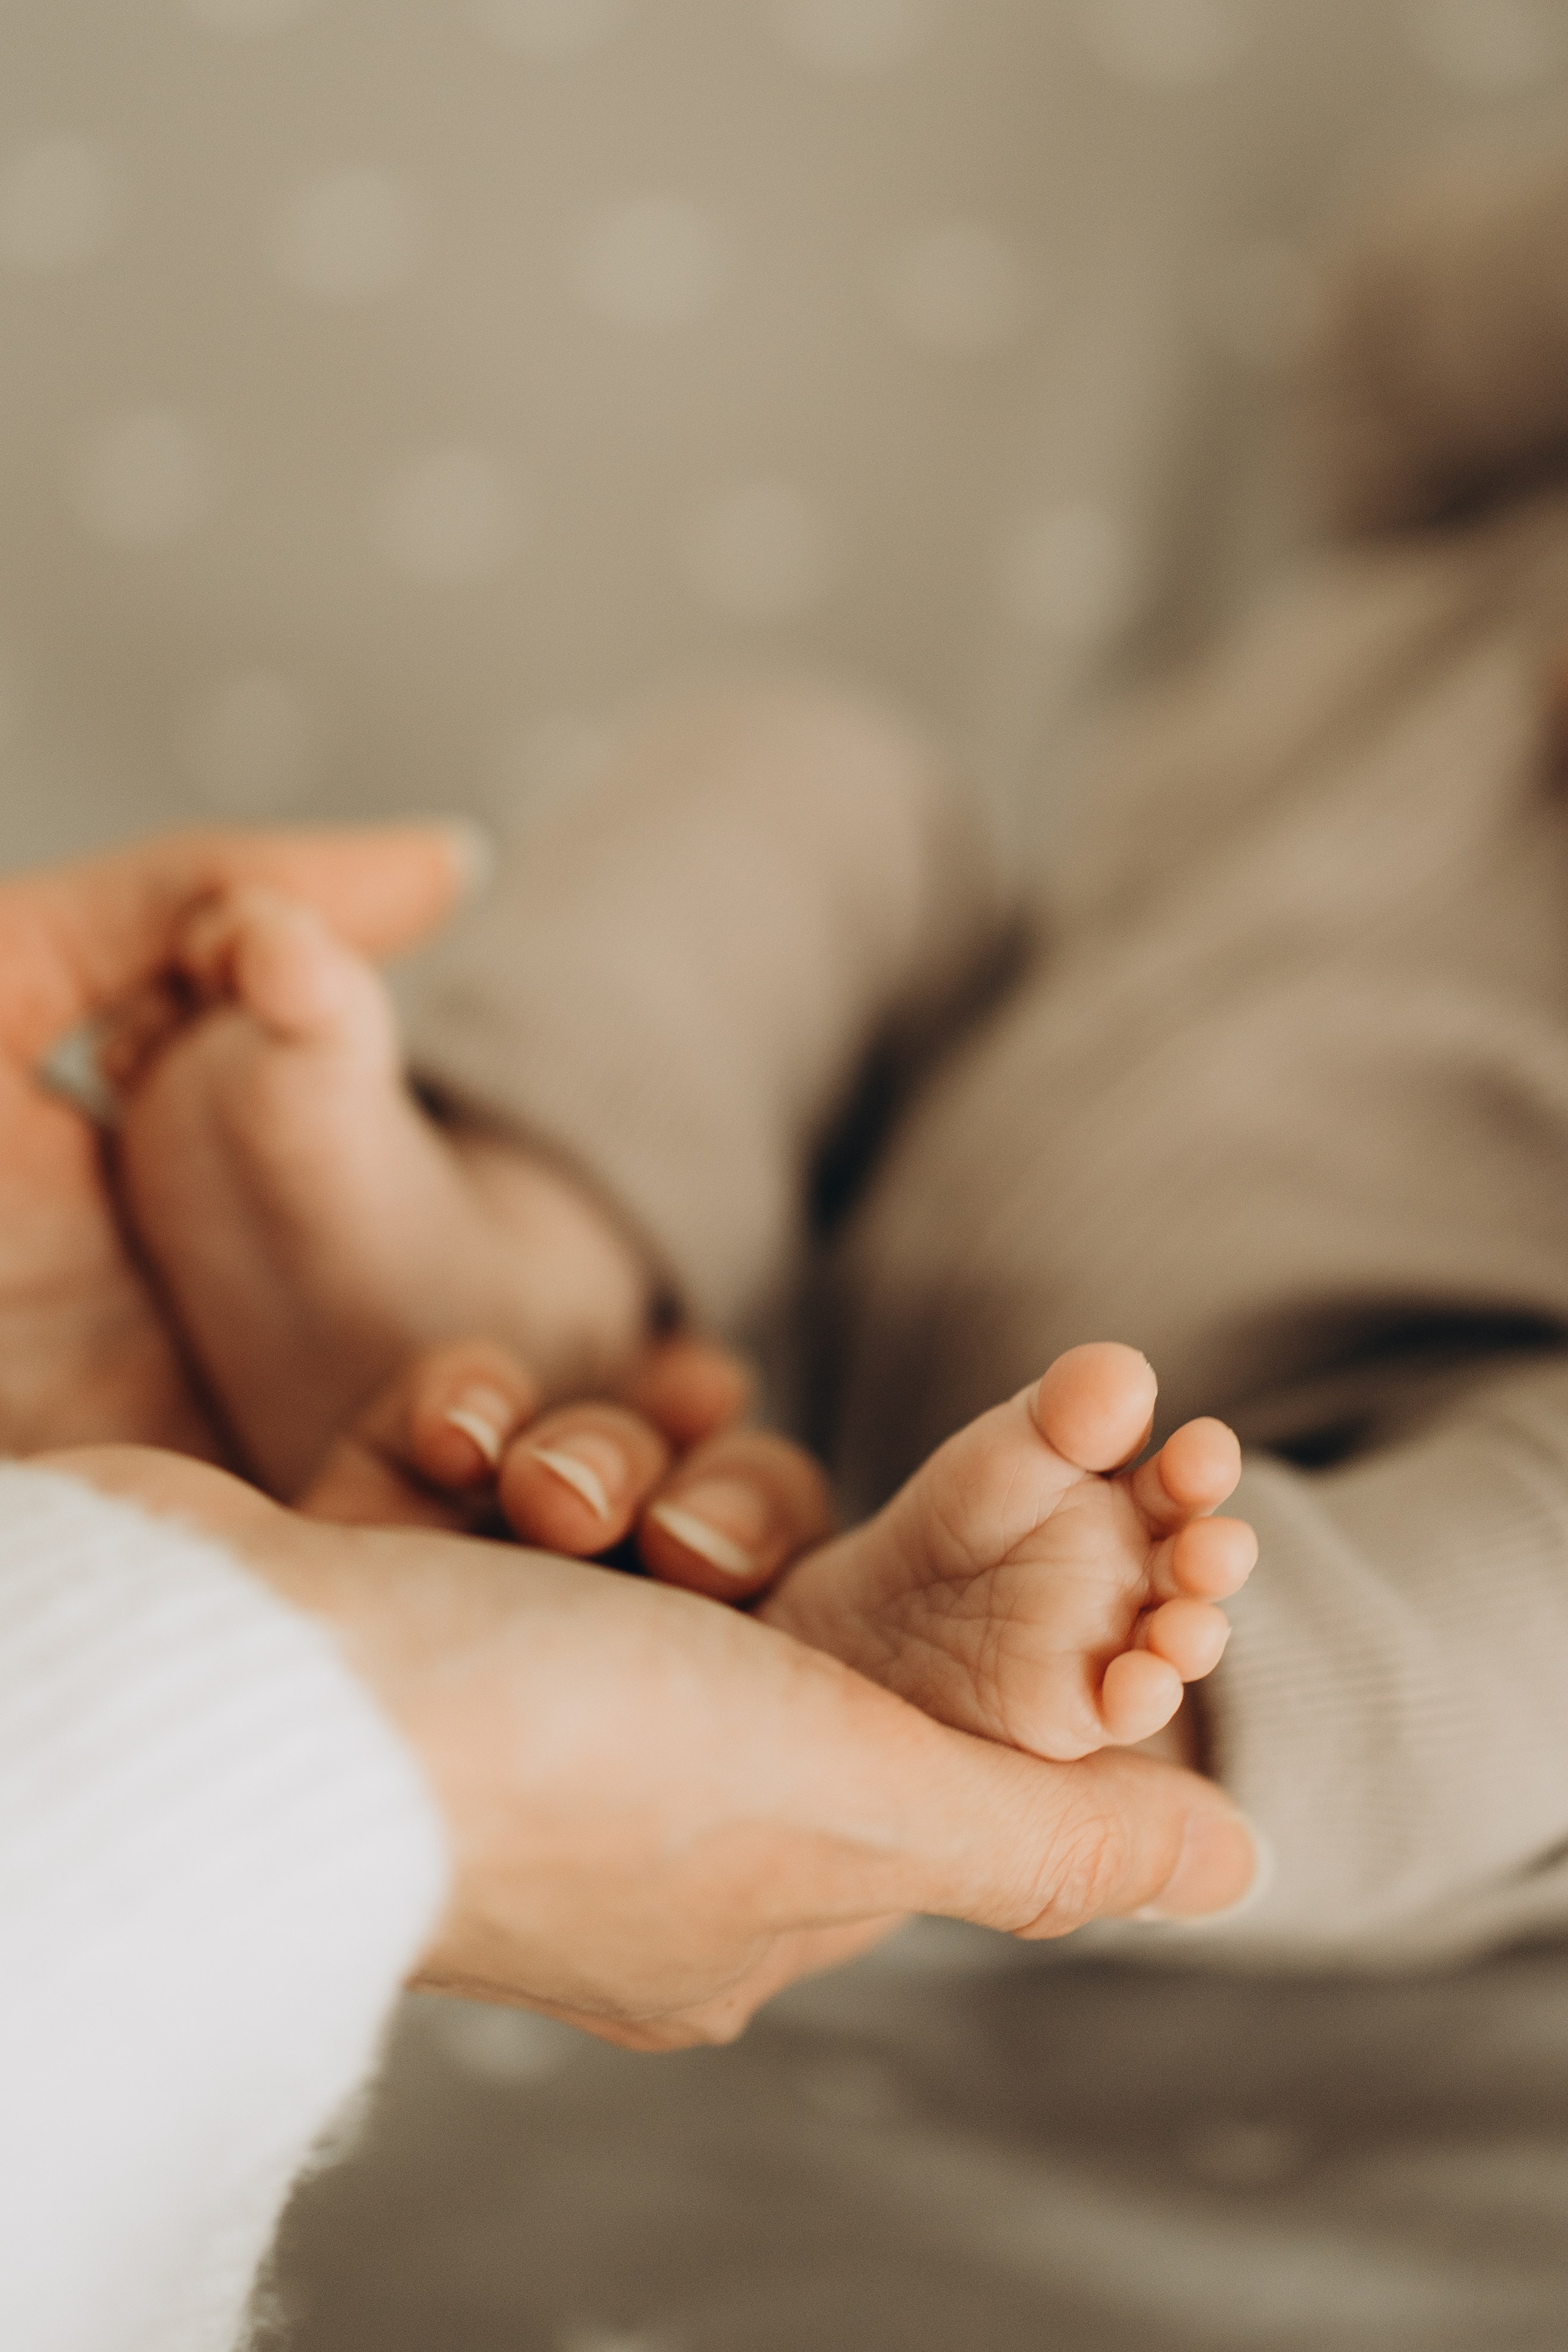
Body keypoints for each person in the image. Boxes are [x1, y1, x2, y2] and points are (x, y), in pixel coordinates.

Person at [89, 139, 1568, 2346]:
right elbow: (1377, 367)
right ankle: (507, 1259)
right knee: (804, 779)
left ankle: (1120, 1703)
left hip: (1382, 1419)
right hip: (943, 1046)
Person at [0, 827, 1260, 2352]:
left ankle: (1161, 1682)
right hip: (934, 1108)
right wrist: (393, 1743)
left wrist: (340, 1712)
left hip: (1328, 1422)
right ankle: (509, 1267)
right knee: (814, 791)